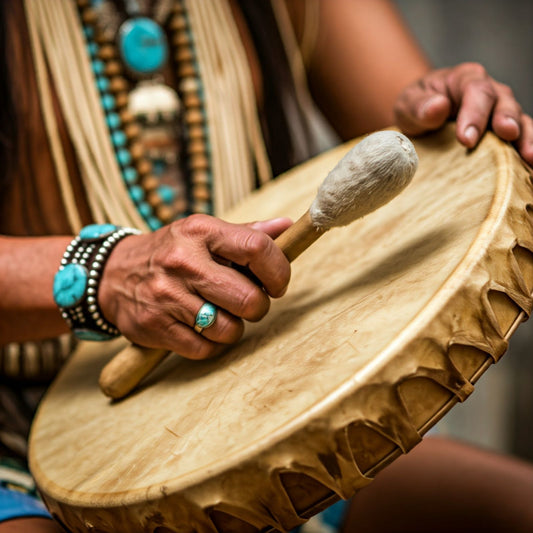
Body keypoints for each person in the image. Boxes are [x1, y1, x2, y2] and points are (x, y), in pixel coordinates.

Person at [1, 1, 532, 532]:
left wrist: (450, 112)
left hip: (265, 426)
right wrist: (103, 273)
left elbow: (416, 144)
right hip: (16, 439)